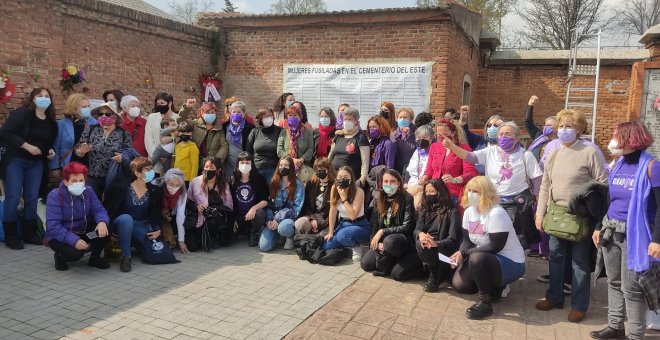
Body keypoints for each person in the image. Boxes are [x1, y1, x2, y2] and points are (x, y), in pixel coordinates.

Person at [534, 109, 608, 323]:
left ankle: (579, 305)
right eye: (561, 126)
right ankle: (554, 297)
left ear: (579, 129)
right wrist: (540, 213)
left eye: (569, 126)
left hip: (580, 217)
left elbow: (602, 185)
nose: (564, 130)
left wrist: (598, 221)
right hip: (556, 214)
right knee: (555, 258)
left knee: (580, 263)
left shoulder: (589, 152)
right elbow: (546, 184)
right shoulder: (554, 151)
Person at [590, 121, 660, 340]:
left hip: (636, 235)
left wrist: (657, 240)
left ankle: (636, 335)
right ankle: (615, 325)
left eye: (616, 135)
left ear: (630, 138)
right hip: (612, 230)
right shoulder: (618, 164)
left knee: (632, 287)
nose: (613, 139)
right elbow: (609, 200)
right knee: (613, 282)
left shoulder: (652, 167)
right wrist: (599, 226)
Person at [443, 121, 543, 247]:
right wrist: (452, 146)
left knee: (516, 239)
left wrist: (539, 206)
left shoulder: (525, 155)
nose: (503, 137)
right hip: (493, 202)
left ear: (516, 138)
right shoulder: (490, 151)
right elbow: (470, 157)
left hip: (517, 204)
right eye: (501, 134)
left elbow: (537, 180)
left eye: (508, 134)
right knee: (493, 236)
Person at [449, 176, 526, 320]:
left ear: (486, 193)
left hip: (510, 261)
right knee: (460, 286)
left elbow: (494, 246)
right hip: (486, 258)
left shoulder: (496, 213)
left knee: (476, 258)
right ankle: (493, 287)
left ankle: (485, 302)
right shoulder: (469, 212)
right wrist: (460, 253)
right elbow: (467, 241)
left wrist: (466, 253)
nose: (471, 194)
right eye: (469, 190)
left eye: (476, 191)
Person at [1, 87, 58, 249]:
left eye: (47, 96)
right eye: (40, 96)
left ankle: (30, 233)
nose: (44, 98)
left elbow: (48, 143)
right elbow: (6, 132)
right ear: (33, 98)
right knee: (13, 197)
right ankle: (11, 236)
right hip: (16, 160)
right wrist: (26, 146)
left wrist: (50, 151)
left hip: (37, 163)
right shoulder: (23, 114)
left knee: (32, 198)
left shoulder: (50, 121)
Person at [45, 162, 110, 270]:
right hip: (59, 237)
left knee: (105, 230)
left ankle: (94, 258)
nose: (78, 184)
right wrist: (74, 241)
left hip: (83, 232)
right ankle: (60, 256)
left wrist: (102, 222)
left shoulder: (88, 191)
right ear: (66, 182)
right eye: (74, 181)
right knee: (75, 254)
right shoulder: (55, 195)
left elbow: (99, 210)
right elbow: (53, 226)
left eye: (81, 180)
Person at [361, 169, 421, 281]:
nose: (389, 184)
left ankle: (397, 258)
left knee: (390, 244)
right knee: (366, 264)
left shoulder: (407, 198)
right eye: (386, 181)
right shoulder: (378, 198)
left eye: (392, 181)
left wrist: (382, 232)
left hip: (400, 240)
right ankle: (389, 258)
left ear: (399, 183)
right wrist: (374, 242)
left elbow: (407, 227)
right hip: (384, 241)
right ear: (381, 183)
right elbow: (374, 224)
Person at [105, 157, 163, 272]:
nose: (151, 171)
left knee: (154, 252)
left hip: (141, 225)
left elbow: (156, 213)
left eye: (151, 168)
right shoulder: (121, 187)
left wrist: (158, 230)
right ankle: (126, 257)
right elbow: (108, 209)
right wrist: (109, 228)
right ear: (137, 173)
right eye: (147, 169)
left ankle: (131, 243)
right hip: (121, 223)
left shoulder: (154, 190)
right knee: (127, 219)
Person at [76, 102, 132, 198]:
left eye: (107, 114)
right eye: (100, 114)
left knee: (110, 206)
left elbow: (129, 155)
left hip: (113, 177)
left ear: (114, 117)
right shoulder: (91, 129)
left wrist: (122, 158)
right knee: (91, 203)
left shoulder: (123, 134)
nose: (103, 116)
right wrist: (81, 151)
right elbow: (78, 150)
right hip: (92, 177)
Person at [415, 179, 462, 292]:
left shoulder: (452, 211)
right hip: (426, 245)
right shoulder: (425, 208)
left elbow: (453, 239)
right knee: (399, 273)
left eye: (432, 191)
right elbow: (417, 228)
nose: (428, 194)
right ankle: (433, 270)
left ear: (440, 192)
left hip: (443, 249)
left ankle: (435, 273)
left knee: (459, 285)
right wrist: (420, 234)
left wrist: (437, 244)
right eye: (427, 192)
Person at [420, 119, 478, 204]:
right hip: (434, 191)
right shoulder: (434, 146)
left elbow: (471, 172)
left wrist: (455, 179)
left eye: (444, 134)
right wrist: (425, 176)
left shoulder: (463, 148)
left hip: (453, 193)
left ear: (453, 133)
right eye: (438, 135)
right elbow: (430, 168)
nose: (441, 137)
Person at [186, 157, 235, 249]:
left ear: (218, 170)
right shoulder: (195, 182)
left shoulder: (224, 184)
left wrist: (213, 208)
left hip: (214, 218)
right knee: (192, 246)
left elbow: (229, 206)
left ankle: (215, 237)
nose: (208, 170)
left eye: (212, 168)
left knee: (215, 221)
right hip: (197, 217)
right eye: (206, 167)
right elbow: (188, 201)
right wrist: (197, 206)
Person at [322, 166, 369, 260]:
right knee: (326, 246)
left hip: (360, 224)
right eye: (339, 177)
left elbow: (353, 216)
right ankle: (346, 246)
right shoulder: (334, 188)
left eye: (345, 177)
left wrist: (344, 199)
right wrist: (331, 232)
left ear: (351, 179)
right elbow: (332, 211)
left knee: (342, 235)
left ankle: (356, 245)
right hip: (344, 223)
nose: (342, 179)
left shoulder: (359, 191)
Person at [260, 156, 304, 252]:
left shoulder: (298, 184)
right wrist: (269, 220)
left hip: (288, 219)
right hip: (273, 219)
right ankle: (277, 236)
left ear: (291, 167)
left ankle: (289, 237)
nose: (283, 168)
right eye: (281, 165)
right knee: (264, 246)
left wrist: (277, 219)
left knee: (284, 227)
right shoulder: (273, 183)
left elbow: (296, 208)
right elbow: (268, 205)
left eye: (286, 165)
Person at [50, 93, 97, 182]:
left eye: (88, 106)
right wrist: (54, 167)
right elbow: (56, 146)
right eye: (83, 107)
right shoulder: (62, 124)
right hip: (69, 163)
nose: (87, 109)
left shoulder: (94, 123)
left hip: (89, 164)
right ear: (74, 108)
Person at [230, 152, 268, 247]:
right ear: (237, 164)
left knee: (261, 214)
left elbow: (265, 200)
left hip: (253, 216)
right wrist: (232, 218)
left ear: (252, 164)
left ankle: (254, 233)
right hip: (239, 216)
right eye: (242, 163)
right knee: (229, 239)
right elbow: (229, 201)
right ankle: (243, 232)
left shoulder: (259, 178)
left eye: (247, 163)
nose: (244, 165)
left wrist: (254, 208)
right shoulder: (233, 179)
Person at [328, 107, 370, 187]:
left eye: (350, 119)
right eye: (345, 119)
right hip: (334, 176)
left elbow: (365, 160)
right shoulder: (339, 135)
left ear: (356, 121)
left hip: (351, 179)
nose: (347, 122)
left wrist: (362, 178)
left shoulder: (361, 137)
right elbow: (330, 155)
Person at [296, 158, 335, 236]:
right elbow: (306, 205)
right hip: (313, 215)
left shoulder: (334, 185)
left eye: (322, 169)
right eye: (317, 169)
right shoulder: (311, 183)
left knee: (321, 238)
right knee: (299, 223)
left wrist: (321, 224)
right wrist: (312, 219)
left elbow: (334, 212)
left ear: (328, 169)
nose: (319, 171)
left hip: (327, 219)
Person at [277, 106, 314, 182]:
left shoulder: (308, 132)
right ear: (287, 117)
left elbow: (310, 149)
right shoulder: (283, 132)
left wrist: (301, 160)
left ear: (300, 117)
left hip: (303, 168)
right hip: (286, 167)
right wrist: (291, 160)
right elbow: (279, 150)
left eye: (295, 115)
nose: (292, 117)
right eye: (290, 115)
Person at [145, 92, 180, 174]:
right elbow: (149, 139)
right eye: (158, 103)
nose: (159, 105)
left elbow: (180, 135)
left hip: (171, 159)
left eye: (162, 103)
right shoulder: (152, 117)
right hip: (155, 161)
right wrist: (157, 154)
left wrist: (172, 139)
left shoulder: (177, 118)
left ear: (170, 103)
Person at [247, 107, 283, 182]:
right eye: (266, 116)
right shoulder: (255, 131)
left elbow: (283, 151)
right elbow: (248, 151)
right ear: (260, 119)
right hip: (257, 169)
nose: (269, 118)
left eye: (270, 116)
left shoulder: (280, 131)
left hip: (274, 169)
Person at [222, 101, 255, 178]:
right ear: (230, 113)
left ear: (243, 114)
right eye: (234, 112)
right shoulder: (224, 126)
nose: (236, 114)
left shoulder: (250, 128)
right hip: (228, 165)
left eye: (239, 112)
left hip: (243, 164)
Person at [191, 102, 228, 167]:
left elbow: (224, 146)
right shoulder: (195, 124)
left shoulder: (219, 128)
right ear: (202, 113)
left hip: (211, 164)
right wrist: (187, 107)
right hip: (195, 162)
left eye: (212, 113)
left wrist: (216, 161)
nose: (210, 115)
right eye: (207, 113)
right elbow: (180, 120)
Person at [406, 125, 434, 208]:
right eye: (419, 137)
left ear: (431, 138)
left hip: (425, 186)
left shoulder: (433, 151)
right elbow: (411, 169)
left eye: (425, 137)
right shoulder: (417, 152)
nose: (421, 140)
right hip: (413, 184)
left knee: (417, 208)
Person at [159, 168, 187, 251]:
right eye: (171, 184)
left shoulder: (182, 194)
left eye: (177, 185)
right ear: (166, 181)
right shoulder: (158, 189)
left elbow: (181, 215)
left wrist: (181, 241)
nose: (173, 188)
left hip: (171, 216)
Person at [524, 95, 557, 161]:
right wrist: (530, 105)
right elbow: (528, 122)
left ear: (557, 128)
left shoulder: (560, 142)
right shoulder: (539, 135)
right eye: (545, 125)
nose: (546, 127)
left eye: (549, 125)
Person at [393, 107, 417, 173]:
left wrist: (410, 135)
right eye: (400, 117)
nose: (402, 119)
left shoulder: (416, 133)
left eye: (405, 117)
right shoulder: (393, 134)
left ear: (411, 120)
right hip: (397, 169)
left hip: (411, 170)